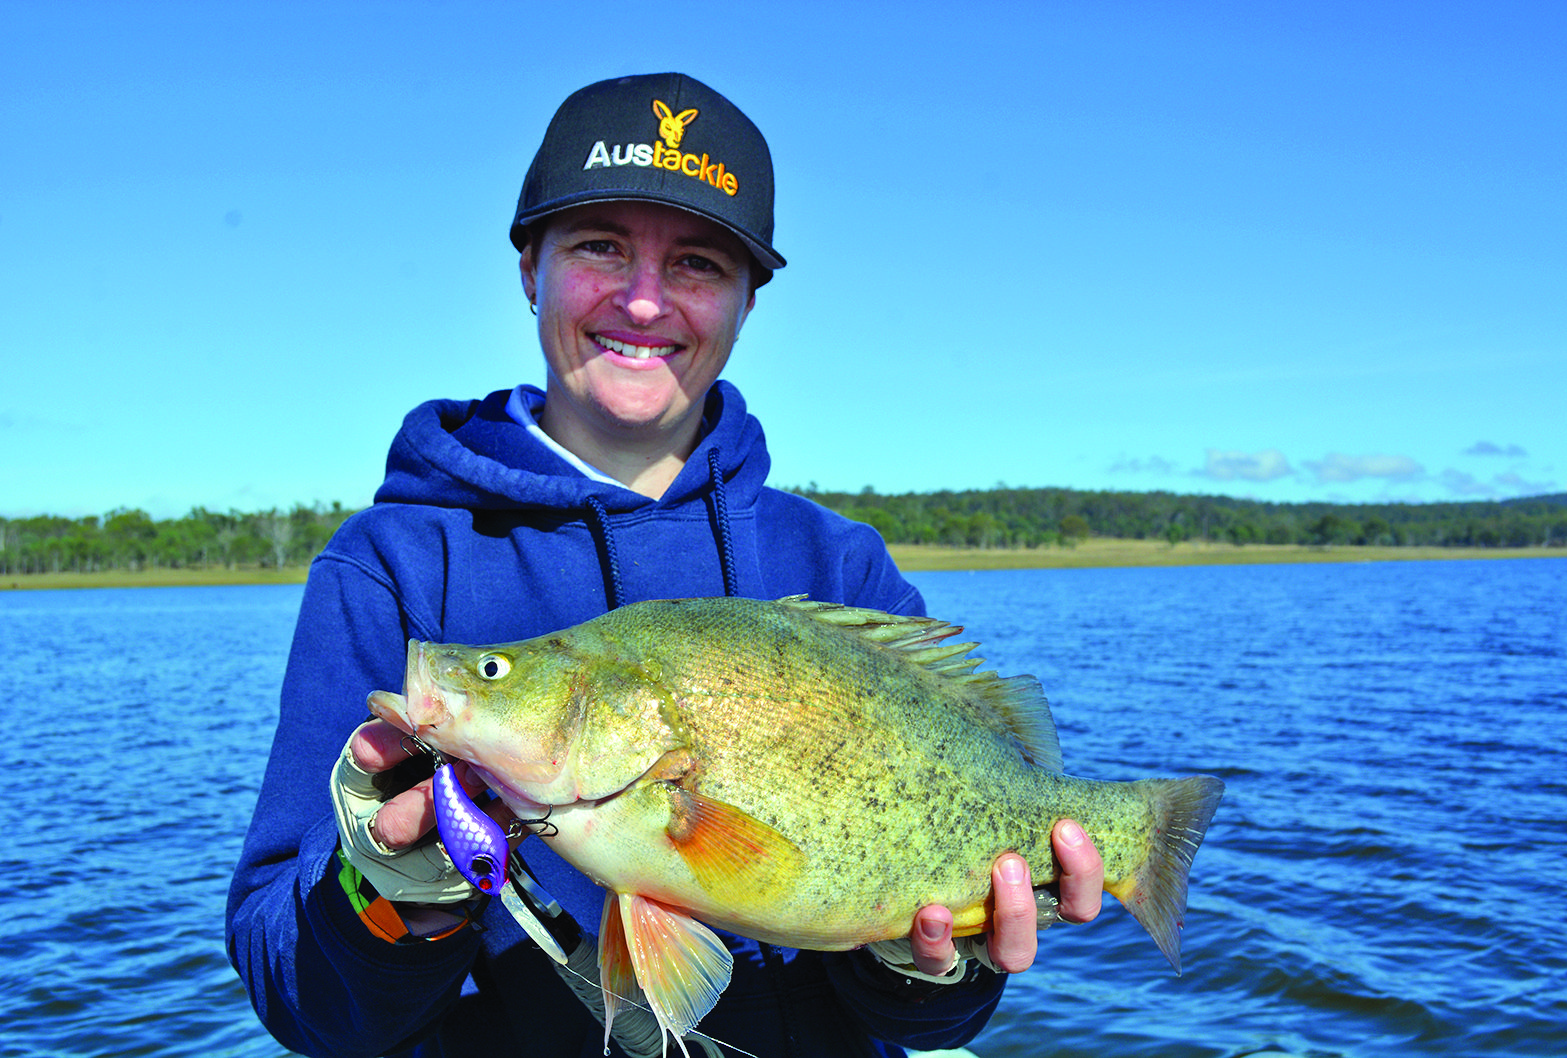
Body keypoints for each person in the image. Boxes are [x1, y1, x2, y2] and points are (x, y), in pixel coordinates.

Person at [226, 72, 1104, 1058]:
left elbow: (926, 1012)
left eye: (695, 263)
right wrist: (389, 892)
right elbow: (295, 994)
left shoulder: (839, 562)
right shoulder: (391, 566)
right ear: (529, 267)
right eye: (600, 245)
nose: (644, 299)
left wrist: (932, 965)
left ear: (745, 301)